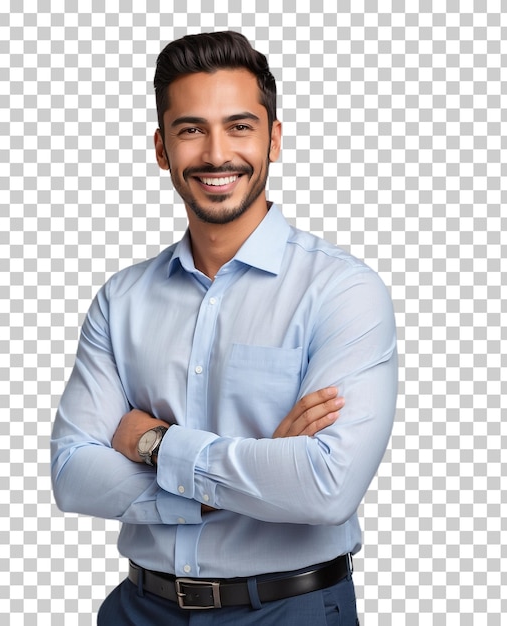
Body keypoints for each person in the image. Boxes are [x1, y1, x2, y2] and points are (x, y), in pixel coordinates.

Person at [51, 31, 397, 625]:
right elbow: (73, 474)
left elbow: (325, 487)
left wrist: (154, 444)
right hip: (139, 610)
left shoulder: (343, 292)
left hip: (291, 612)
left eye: (239, 126)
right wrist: (251, 472)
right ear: (162, 148)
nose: (216, 153)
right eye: (191, 130)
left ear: (274, 139)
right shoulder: (122, 298)